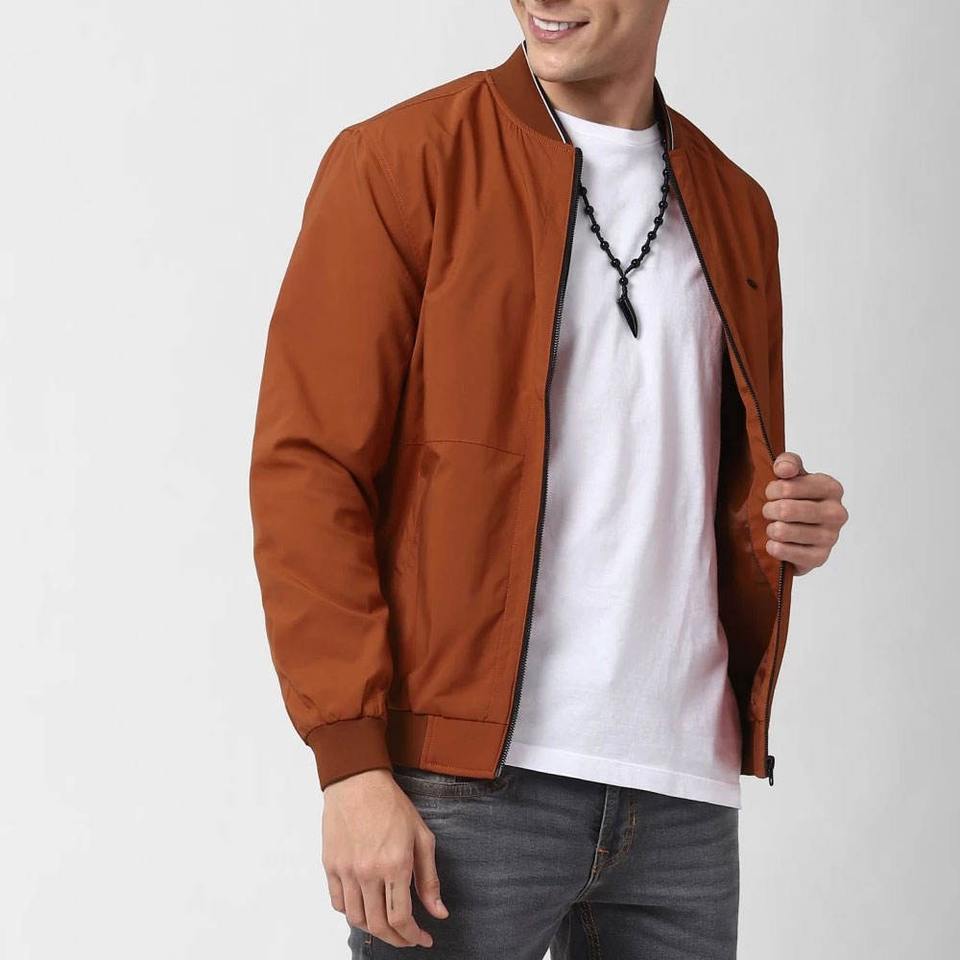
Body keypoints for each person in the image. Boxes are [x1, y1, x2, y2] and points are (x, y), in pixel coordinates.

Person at [249, 2, 848, 957]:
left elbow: (673, 473)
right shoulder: (401, 163)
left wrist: (782, 524)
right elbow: (309, 471)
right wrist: (350, 763)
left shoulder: (737, 206)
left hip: (682, 791)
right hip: (464, 786)